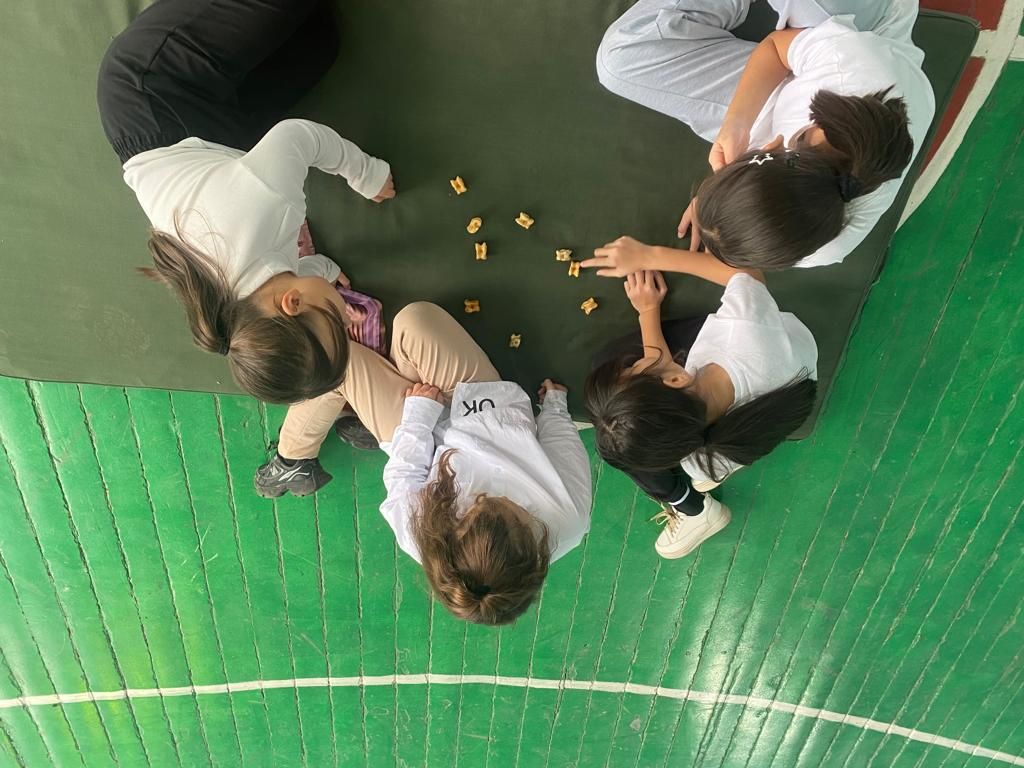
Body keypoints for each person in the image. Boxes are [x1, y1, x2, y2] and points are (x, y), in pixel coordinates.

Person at [96, 0, 395, 406]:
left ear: (292, 302)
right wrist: (323, 269)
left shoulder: (267, 205)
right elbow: (284, 274)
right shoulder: (239, 309)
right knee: (320, 40)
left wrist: (365, 173)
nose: (346, 316)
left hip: (148, 87)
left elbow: (298, 136)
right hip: (213, 139)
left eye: (336, 319)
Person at [592, 0, 934, 272]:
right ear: (771, 147)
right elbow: (775, 49)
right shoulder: (850, 71)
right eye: (734, 168)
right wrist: (737, 124)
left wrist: (732, 199)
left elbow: (769, 216)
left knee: (619, 61)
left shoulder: (812, 240)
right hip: (863, 27)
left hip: (785, 104)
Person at [322, 302, 592, 624]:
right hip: (485, 409)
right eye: (514, 511)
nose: (491, 497)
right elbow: (563, 448)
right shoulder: (570, 521)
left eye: (476, 509)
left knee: (336, 357)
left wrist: (419, 415)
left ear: (450, 539)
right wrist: (555, 408)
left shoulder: (421, 538)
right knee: (414, 319)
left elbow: (404, 474)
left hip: (414, 437)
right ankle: (392, 378)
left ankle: (303, 450)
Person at [584, 265, 817, 559]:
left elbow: (664, 374)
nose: (636, 360)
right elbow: (747, 273)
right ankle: (693, 510)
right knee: (608, 378)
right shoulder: (735, 336)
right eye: (635, 366)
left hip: (782, 378)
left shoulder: (699, 462)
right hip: (779, 348)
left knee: (627, 441)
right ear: (677, 379)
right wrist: (651, 262)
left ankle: (689, 504)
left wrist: (648, 312)